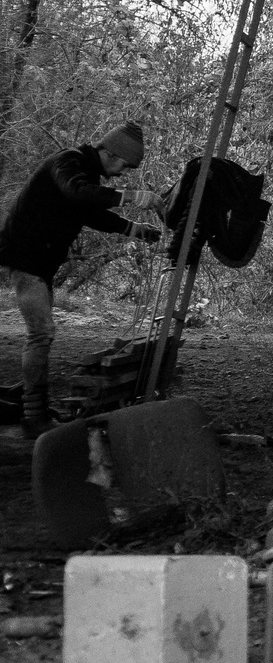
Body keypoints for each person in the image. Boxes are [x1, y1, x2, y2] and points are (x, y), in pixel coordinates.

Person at [1, 121, 159, 436]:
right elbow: (79, 193)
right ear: (110, 153)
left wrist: (135, 229)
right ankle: (33, 415)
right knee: (41, 333)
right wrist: (133, 197)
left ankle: (27, 399)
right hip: (24, 257)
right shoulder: (68, 162)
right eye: (123, 164)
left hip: (39, 261)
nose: (122, 171)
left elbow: (91, 212)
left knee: (42, 334)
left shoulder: (84, 174)